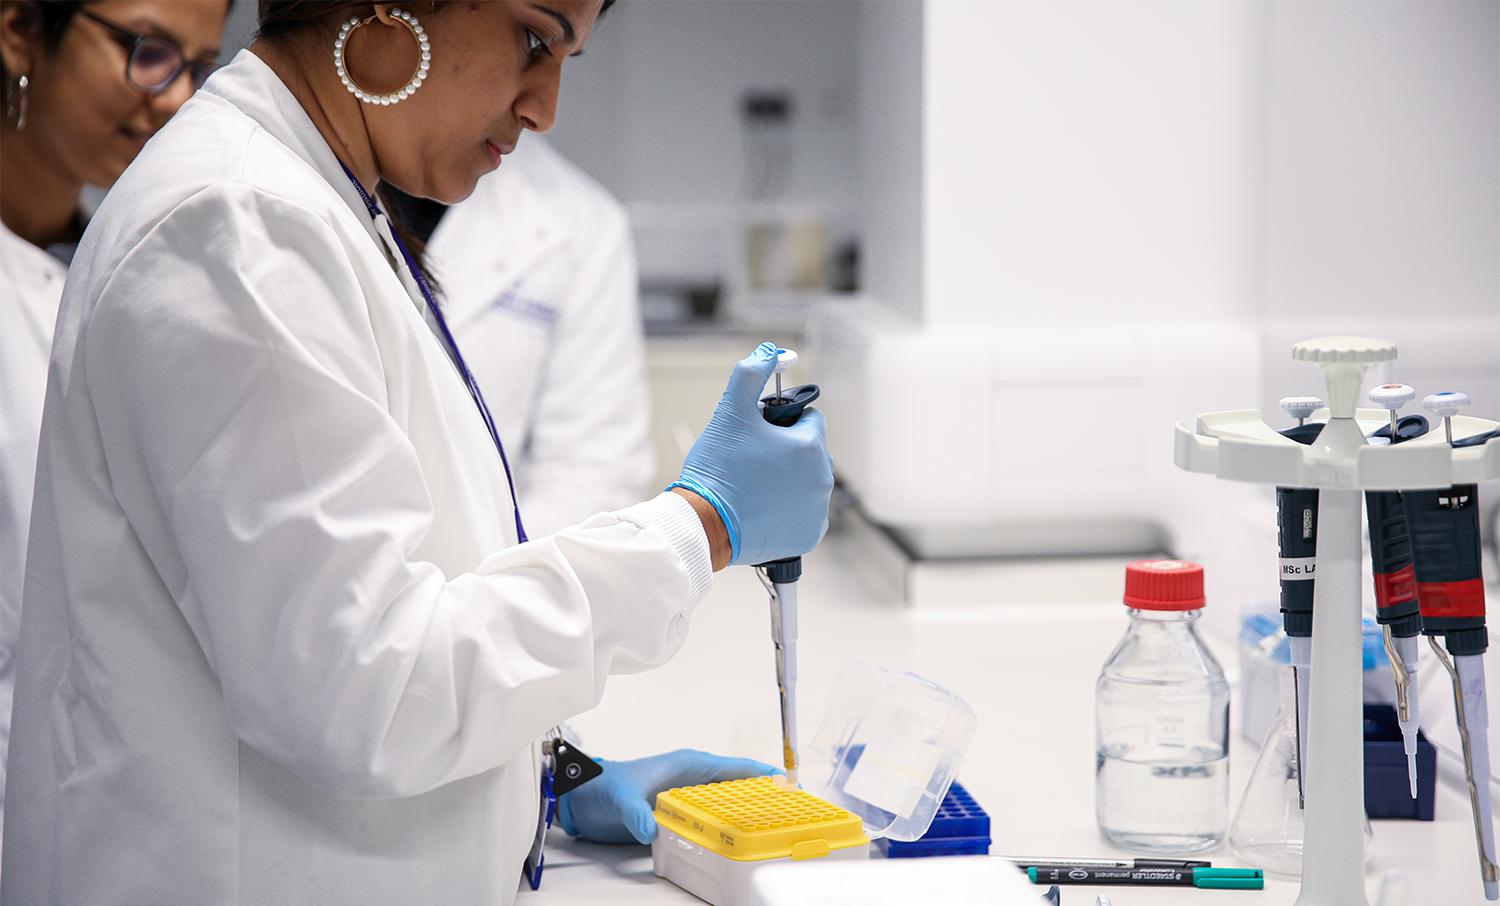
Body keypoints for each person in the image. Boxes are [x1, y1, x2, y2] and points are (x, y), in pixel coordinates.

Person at [0, 2, 834, 904]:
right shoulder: (238, 225)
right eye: (535, 36)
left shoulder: (317, 198)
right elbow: (371, 692)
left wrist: (541, 777)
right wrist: (702, 524)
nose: (545, 104)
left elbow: (353, 610)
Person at [0, 0, 228, 863]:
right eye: (144, 50)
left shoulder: (106, 264)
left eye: (197, 66)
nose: (171, 99)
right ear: (21, 27)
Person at [387, 134, 654, 536]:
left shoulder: (580, 221)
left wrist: (490, 581)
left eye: (561, 67)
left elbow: (592, 471)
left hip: (487, 576)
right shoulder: (295, 184)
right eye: (526, 65)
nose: (545, 112)